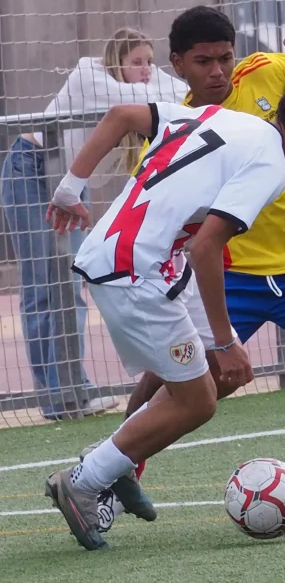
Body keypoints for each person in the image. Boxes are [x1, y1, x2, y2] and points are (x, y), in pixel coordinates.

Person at [44, 71, 285, 550]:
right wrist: (225, 340)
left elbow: (121, 117)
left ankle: (113, 467)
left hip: (135, 260)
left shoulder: (219, 117)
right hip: (138, 272)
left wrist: (71, 187)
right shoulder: (270, 165)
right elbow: (206, 248)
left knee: (215, 379)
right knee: (198, 399)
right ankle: (85, 480)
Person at [99, 6, 285, 529]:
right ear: (178, 66)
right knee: (173, 385)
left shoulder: (267, 73)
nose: (218, 71)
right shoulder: (178, 122)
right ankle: (117, 476)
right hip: (231, 275)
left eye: (224, 59)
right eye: (203, 61)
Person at [1, 28, 187, 420]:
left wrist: (157, 77)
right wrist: (158, 84)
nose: (146, 71)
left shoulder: (141, 87)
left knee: (71, 280)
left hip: (71, 180)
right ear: (115, 61)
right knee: (45, 285)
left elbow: (178, 95)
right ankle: (63, 395)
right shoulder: (90, 76)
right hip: (33, 169)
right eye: (136, 62)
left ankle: (68, 392)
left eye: (151, 62)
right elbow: (164, 98)